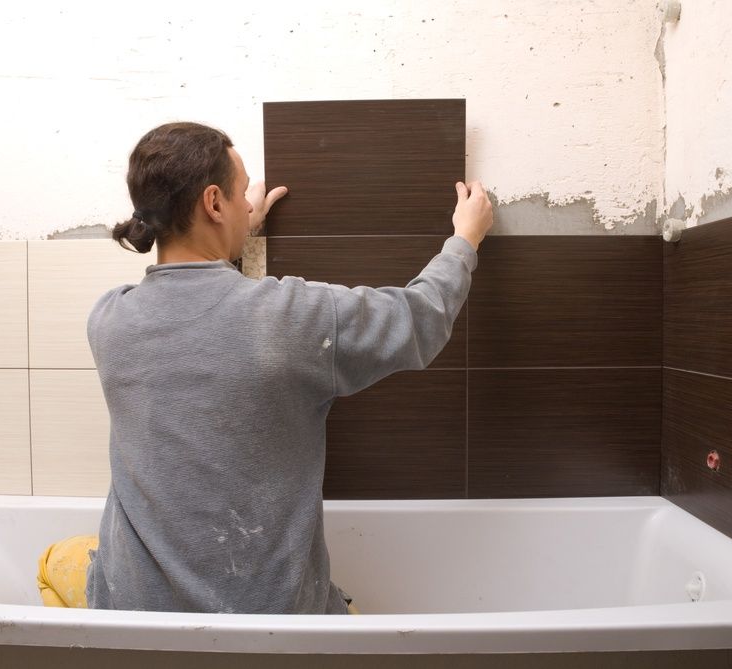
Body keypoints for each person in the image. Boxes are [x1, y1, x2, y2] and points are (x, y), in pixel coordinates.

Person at [70, 121, 492, 615]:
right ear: (213, 203)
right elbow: (420, 319)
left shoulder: (109, 320)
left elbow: (198, 317)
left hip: (132, 612)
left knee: (61, 560)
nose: (247, 204)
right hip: (269, 617)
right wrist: (465, 240)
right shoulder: (296, 318)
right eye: (239, 193)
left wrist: (234, 231)